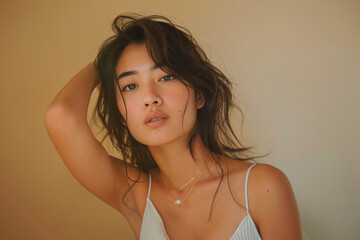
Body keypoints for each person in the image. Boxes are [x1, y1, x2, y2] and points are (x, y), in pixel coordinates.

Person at [44, 14, 302, 240]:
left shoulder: (262, 187)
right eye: (130, 86)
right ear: (122, 115)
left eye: (166, 76)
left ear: (199, 96)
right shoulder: (134, 194)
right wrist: (105, 63)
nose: (150, 97)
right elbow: (60, 115)